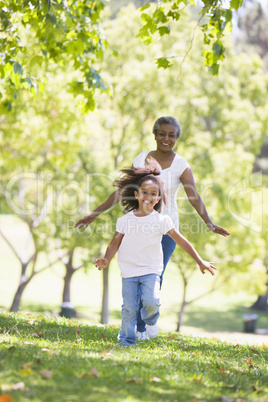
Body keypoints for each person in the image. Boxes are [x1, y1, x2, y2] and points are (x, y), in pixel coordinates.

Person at [76, 116, 230, 338]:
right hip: (138, 226)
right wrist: (94, 214)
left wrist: (209, 223)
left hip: (165, 228)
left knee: (155, 275)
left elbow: (193, 196)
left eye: (171, 135)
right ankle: (138, 328)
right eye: (162, 134)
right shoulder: (142, 159)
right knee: (136, 274)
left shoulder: (181, 164)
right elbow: (122, 191)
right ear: (155, 134)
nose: (166, 139)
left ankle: (143, 325)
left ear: (176, 138)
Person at [94, 160, 217, 347]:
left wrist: (200, 261)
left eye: (153, 194)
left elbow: (181, 241)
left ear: (158, 199)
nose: (148, 197)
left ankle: (150, 320)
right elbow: (114, 243)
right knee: (128, 308)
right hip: (128, 271)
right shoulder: (125, 220)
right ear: (136, 194)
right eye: (144, 192)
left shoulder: (162, 220)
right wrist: (106, 259)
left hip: (151, 270)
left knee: (151, 302)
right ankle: (126, 340)